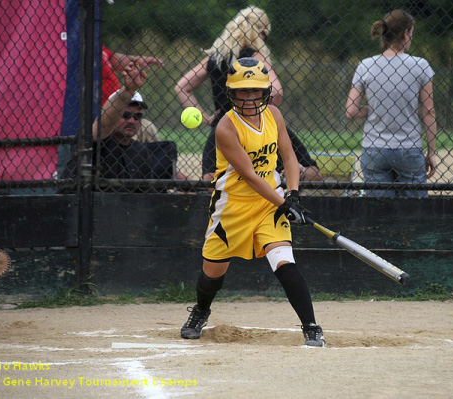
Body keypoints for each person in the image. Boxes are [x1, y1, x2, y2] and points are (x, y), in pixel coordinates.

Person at [180, 57, 325, 347]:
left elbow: (289, 158)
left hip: (268, 205)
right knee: (213, 274)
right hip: (232, 207)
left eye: (255, 90)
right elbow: (248, 176)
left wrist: (293, 194)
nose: (249, 97)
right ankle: (201, 311)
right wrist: (285, 202)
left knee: (284, 262)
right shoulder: (226, 127)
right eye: (242, 91)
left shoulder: (274, 115)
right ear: (231, 93)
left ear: (265, 92)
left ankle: (311, 327)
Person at [174, 6, 321, 182]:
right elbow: (277, 91)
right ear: (260, 32)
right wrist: (264, 109)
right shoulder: (255, 57)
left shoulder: (215, 57)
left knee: (213, 178)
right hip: (257, 123)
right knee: (302, 170)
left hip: (222, 124)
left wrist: (207, 118)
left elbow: (182, 87)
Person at [345, 9, 437, 197]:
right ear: (406, 33)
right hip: (409, 148)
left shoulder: (366, 65)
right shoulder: (420, 66)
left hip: (374, 148)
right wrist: (432, 152)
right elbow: (428, 111)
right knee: (414, 212)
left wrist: (373, 109)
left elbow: (351, 111)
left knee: (380, 213)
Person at [62, 63, 188, 188]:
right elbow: (103, 127)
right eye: (125, 115)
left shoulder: (140, 152)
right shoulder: (97, 142)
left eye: (137, 116)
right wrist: (128, 91)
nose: (132, 121)